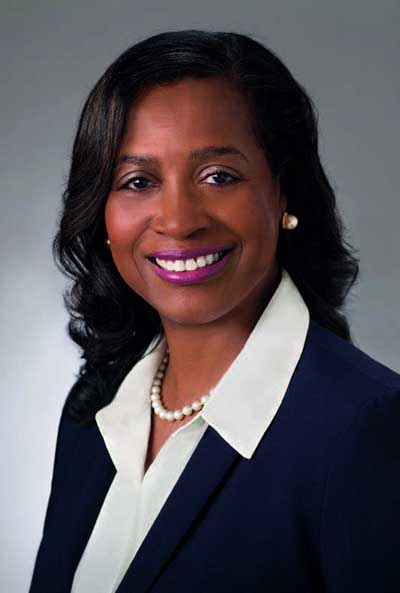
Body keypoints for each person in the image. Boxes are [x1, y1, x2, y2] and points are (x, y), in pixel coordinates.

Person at [29, 29, 400, 593]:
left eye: (218, 176)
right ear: (101, 214)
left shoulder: (367, 430)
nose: (178, 220)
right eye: (138, 181)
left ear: (283, 194)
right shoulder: (94, 410)